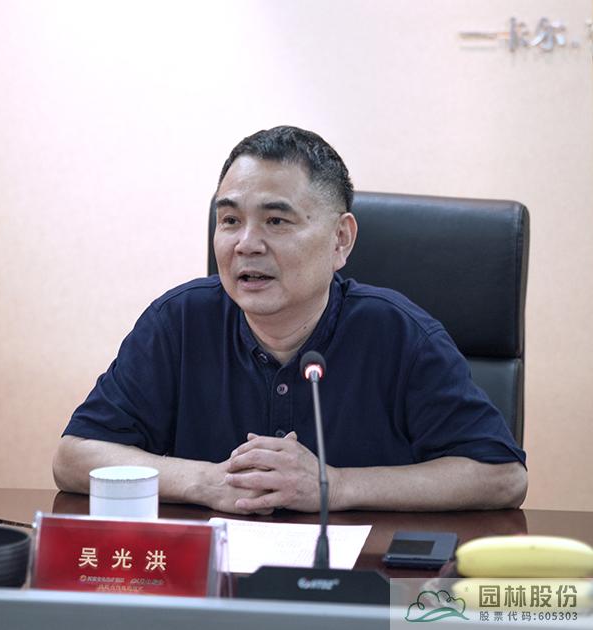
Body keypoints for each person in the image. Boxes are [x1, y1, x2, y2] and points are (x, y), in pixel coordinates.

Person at [53, 126, 527, 514]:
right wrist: (208, 481)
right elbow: (74, 457)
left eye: (276, 221)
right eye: (230, 220)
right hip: (213, 584)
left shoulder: (400, 333)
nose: (246, 244)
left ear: (340, 239)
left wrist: (335, 485)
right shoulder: (178, 321)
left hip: (360, 583)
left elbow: (502, 475)